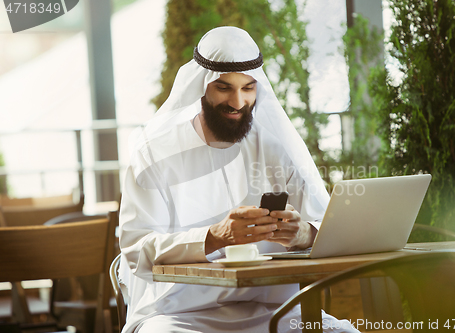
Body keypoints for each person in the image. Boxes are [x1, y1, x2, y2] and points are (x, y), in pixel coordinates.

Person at [119, 26, 359, 333]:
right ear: (201, 86)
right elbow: (136, 248)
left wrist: (302, 234)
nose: (237, 101)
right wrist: (214, 236)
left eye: (248, 88)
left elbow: (327, 228)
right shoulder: (153, 151)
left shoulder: (273, 147)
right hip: (179, 315)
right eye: (224, 87)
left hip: (274, 310)